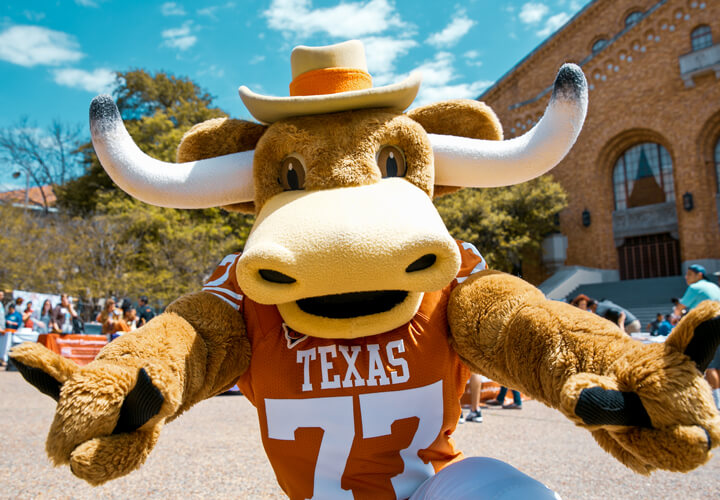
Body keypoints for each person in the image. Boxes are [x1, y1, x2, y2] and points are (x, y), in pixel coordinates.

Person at [675, 264, 720, 410]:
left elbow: (679, 309)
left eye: (689, 274)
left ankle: (715, 403)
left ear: (699, 275)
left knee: (709, 365)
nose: (686, 277)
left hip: (707, 326)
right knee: (717, 365)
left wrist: (675, 316)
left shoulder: (695, 287)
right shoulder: (714, 286)